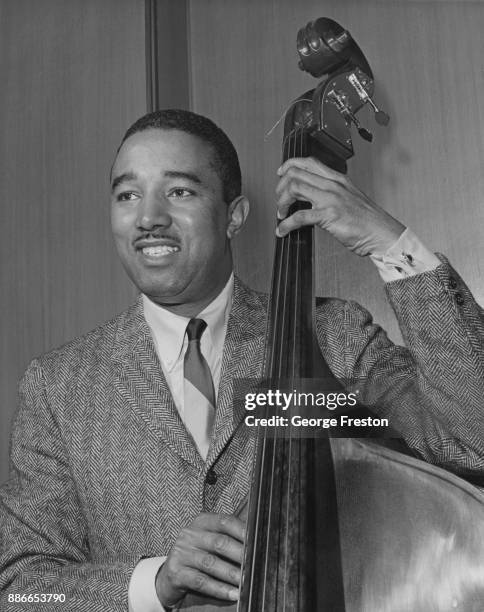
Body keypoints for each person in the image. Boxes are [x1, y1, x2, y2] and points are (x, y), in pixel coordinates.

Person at [1, 109, 483, 611]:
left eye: (180, 191)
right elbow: (21, 590)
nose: (148, 218)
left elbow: (474, 439)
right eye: (127, 195)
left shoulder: (333, 337)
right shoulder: (58, 387)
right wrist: (153, 585)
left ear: (234, 215)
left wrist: (391, 243)